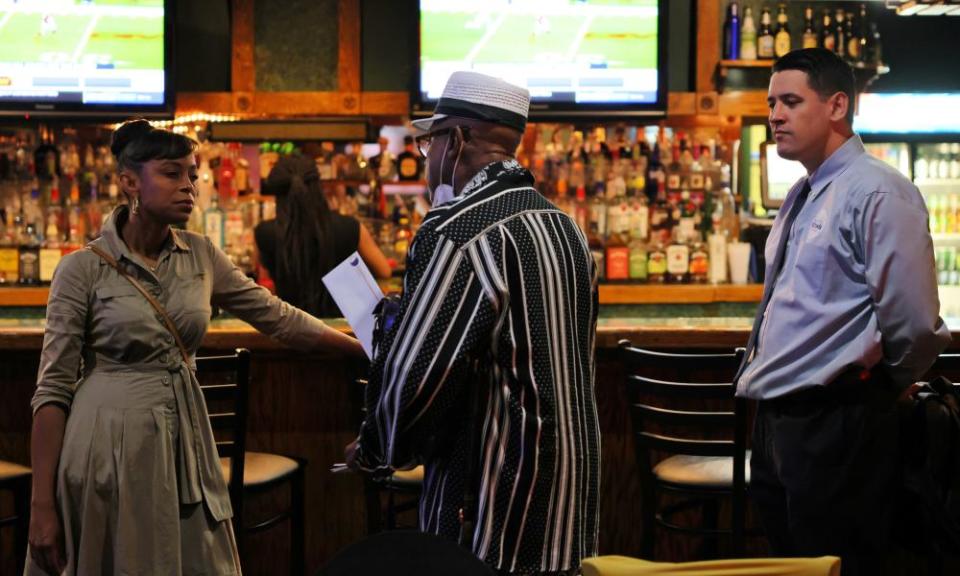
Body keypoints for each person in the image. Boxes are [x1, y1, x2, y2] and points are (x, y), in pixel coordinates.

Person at [27, 119, 364, 575]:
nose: (189, 186)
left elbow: (277, 317)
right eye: (172, 173)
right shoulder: (81, 269)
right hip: (105, 444)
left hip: (184, 438)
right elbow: (52, 390)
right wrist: (41, 505)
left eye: (192, 174)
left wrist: (361, 348)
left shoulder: (202, 255)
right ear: (129, 181)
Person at [346, 71, 601, 576]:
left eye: (431, 143)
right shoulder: (565, 226)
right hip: (573, 480)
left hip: (495, 486)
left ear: (456, 140)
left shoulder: (458, 229)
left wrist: (377, 446)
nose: (429, 158)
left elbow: (419, 375)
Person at [734, 48, 951, 574]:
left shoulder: (879, 192)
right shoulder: (804, 192)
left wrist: (876, 387)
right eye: (771, 103)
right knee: (792, 567)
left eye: (790, 101)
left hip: (834, 420)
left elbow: (917, 325)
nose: (775, 116)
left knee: (836, 565)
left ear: (836, 106)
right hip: (779, 420)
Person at [254, 154, 391, 318]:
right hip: (343, 333)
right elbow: (384, 271)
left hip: (289, 333)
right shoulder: (351, 227)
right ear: (318, 185)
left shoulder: (264, 233)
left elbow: (263, 285)